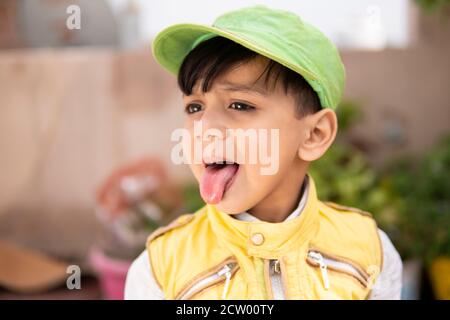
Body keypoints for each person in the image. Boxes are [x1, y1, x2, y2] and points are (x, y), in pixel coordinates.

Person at [125, 5, 402, 300]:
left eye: (240, 105)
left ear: (314, 134)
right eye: (195, 107)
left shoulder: (370, 252)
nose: (205, 127)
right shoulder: (160, 269)